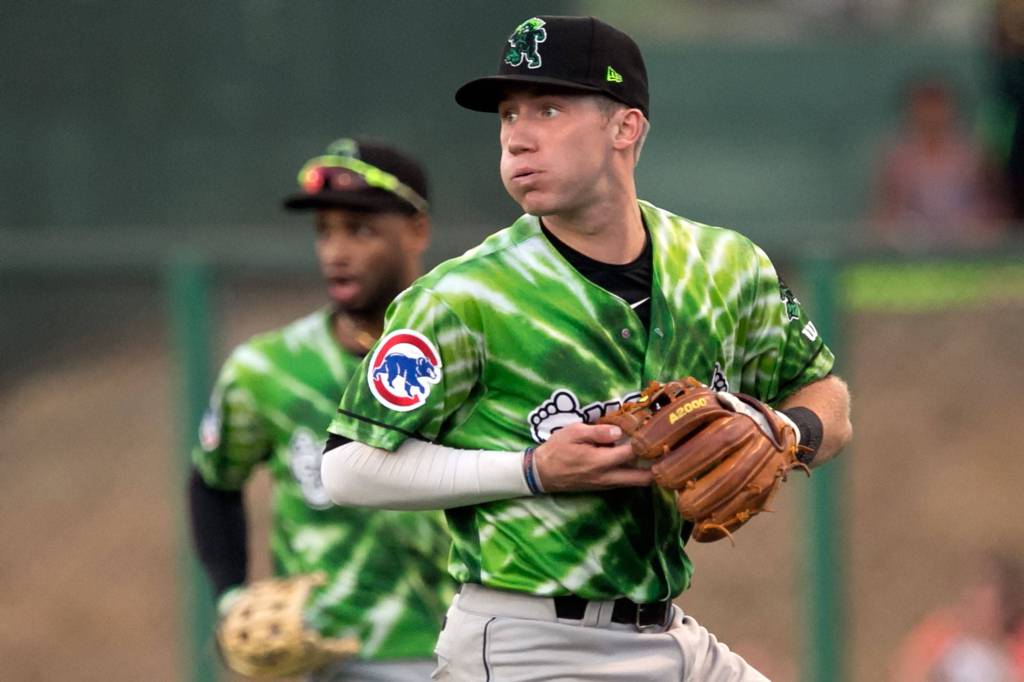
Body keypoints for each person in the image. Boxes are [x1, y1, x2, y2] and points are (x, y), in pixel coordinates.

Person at [321, 16, 853, 681]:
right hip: (528, 642)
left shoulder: (726, 267)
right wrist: (532, 470)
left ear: (624, 128)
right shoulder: (465, 297)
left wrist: (785, 432)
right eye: (508, 115)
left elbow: (827, 395)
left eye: (548, 108)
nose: (518, 136)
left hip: (668, 635)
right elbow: (347, 469)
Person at [188, 137, 455, 681]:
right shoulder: (269, 369)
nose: (336, 251)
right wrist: (229, 595)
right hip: (331, 655)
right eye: (324, 230)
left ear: (417, 230)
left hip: (470, 645)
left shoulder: (471, 355)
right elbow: (211, 482)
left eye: (359, 229)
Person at [871, 75, 1007, 249]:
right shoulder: (897, 157)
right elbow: (885, 212)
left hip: (969, 243)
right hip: (913, 245)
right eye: (925, 107)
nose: (931, 115)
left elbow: (996, 208)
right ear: (912, 110)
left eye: (937, 106)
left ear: (951, 109)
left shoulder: (974, 154)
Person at [888, 552, 1024, 682]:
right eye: (970, 600)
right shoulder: (937, 635)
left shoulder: (1015, 649)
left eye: (979, 602)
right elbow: (907, 673)